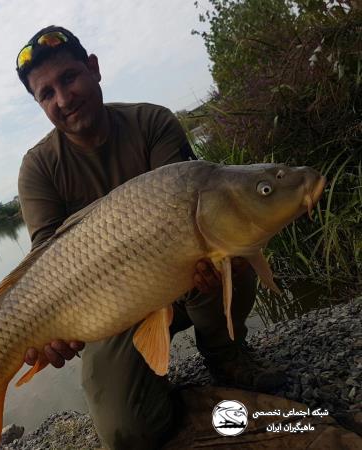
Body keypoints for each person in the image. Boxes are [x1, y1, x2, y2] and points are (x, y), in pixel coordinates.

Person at [15, 25, 285, 450]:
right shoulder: (39, 169)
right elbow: (48, 269)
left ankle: (225, 354)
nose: (63, 99)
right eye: (46, 94)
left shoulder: (152, 122)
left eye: (68, 78)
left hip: (182, 276)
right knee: (127, 432)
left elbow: (195, 199)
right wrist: (54, 333)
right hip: (108, 308)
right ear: (39, 104)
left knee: (228, 238)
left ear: (94, 68)